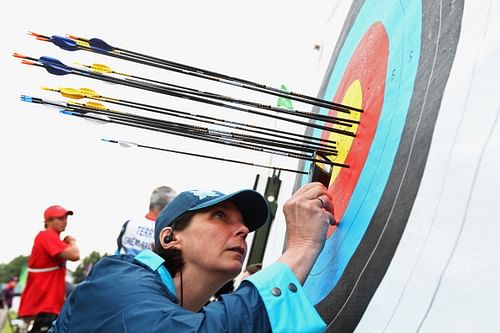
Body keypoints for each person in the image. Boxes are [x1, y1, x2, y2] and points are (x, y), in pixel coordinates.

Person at [50, 183, 333, 333]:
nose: (244, 229)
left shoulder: (176, 309)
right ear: (170, 238)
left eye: (243, 223)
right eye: (219, 216)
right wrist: (302, 246)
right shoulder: (118, 283)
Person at [18, 205, 80, 333]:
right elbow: (75, 255)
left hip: (45, 305)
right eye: (60, 218)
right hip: (43, 305)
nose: (65, 221)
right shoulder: (47, 236)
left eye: (66, 218)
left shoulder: (54, 239)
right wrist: (73, 241)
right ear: (48, 221)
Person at [115, 186, 177, 255]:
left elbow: (118, 252)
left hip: (121, 265)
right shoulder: (166, 232)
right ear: (169, 207)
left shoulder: (129, 224)